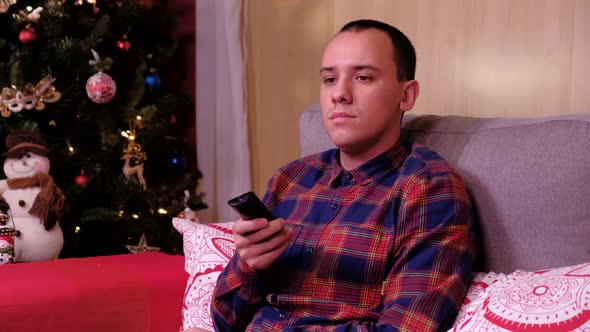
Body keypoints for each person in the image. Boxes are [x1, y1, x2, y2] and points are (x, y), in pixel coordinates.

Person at [211, 19, 476, 331]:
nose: (339, 94)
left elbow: (406, 328)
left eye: (362, 77)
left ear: (406, 96)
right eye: (329, 80)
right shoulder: (291, 179)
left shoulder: (429, 188)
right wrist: (249, 266)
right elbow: (223, 320)